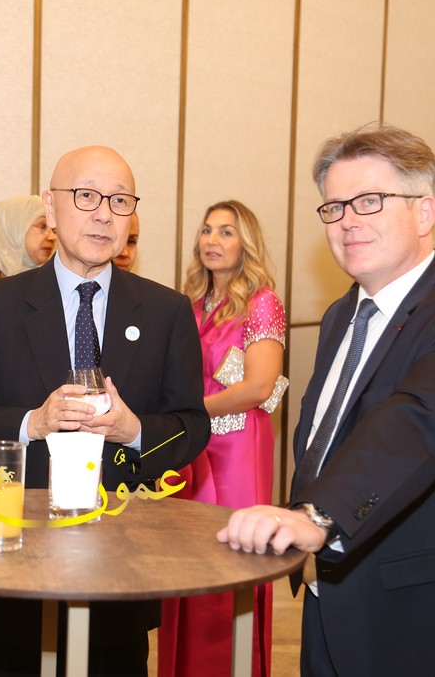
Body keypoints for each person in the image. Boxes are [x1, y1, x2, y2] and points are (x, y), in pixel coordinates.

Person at [217, 124, 435, 677]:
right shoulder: (342, 314)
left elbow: (415, 425)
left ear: (424, 213)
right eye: (334, 207)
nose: (348, 220)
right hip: (331, 593)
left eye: (370, 201)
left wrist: (317, 515)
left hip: (422, 616)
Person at [0, 145, 210, 677]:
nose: (103, 214)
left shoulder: (165, 311)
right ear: (50, 207)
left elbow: (191, 427)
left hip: (121, 566)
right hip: (13, 562)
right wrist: (34, 423)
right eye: (86, 196)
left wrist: (133, 430)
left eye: (120, 201)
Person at [160, 200, 285, 677]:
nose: (212, 240)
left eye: (227, 232)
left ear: (245, 243)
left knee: (231, 557)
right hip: (193, 445)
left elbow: (260, 387)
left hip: (237, 447)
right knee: (188, 558)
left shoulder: (262, 302)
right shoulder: (191, 305)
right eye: (207, 230)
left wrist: (187, 414)